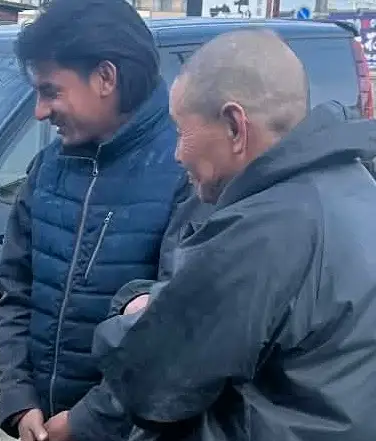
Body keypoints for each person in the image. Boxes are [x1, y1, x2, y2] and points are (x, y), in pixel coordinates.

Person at [95, 28, 376, 441]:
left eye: (180, 130)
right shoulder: (356, 188)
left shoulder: (263, 230)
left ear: (234, 126)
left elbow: (151, 384)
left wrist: (133, 311)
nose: (177, 154)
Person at [0, 0, 208, 440]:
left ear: (106, 78)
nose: (39, 110)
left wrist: (86, 422)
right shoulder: (46, 169)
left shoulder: (187, 173)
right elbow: (15, 293)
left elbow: (175, 331)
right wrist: (19, 399)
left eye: (51, 91)